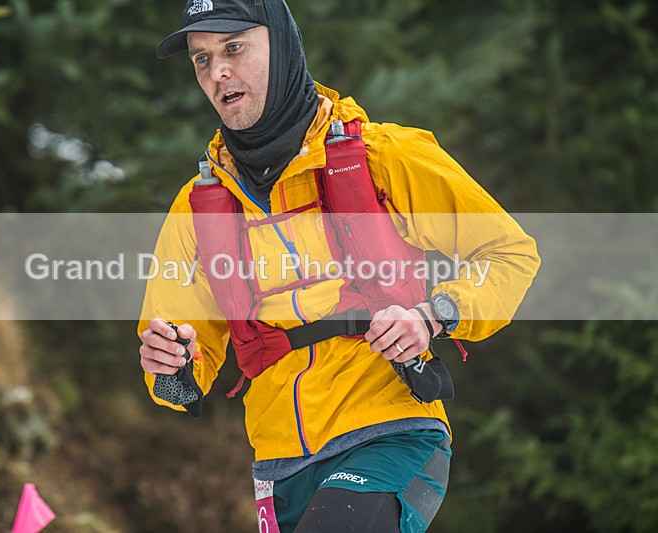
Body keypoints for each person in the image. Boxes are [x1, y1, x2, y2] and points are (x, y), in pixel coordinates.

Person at [138, 1, 540, 531]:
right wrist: (171, 365)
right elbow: (178, 382)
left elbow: (510, 255)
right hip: (279, 462)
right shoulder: (197, 207)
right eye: (201, 60)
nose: (218, 73)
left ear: (281, 48)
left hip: (389, 430)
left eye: (234, 48)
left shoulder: (385, 156)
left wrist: (434, 313)